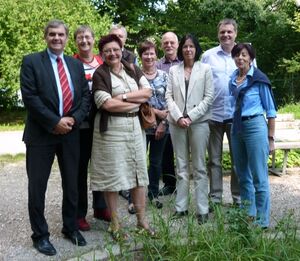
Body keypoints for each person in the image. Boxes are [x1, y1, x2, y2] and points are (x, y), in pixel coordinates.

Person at [20, 19, 89, 256]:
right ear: (45, 37)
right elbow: (30, 98)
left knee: (73, 183)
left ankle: (70, 227)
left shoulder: (75, 65)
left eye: (61, 34)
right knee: (37, 187)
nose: (56, 38)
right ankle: (40, 235)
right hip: (41, 134)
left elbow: (84, 99)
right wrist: (54, 122)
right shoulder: (31, 62)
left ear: (66, 37)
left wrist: (72, 120)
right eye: (52, 34)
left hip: (70, 133)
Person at [90, 34, 154, 239]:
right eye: (107, 51)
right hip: (111, 130)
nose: (112, 53)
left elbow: (148, 91)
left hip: (135, 128)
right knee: (113, 176)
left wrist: (124, 97)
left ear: (121, 49)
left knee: (138, 175)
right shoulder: (100, 74)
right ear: (102, 54)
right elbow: (106, 104)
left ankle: (142, 222)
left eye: (115, 49)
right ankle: (115, 224)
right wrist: (136, 102)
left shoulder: (132, 68)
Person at [165, 34, 214, 224]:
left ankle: (202, 209)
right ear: (181, 49)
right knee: (181, 166)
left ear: (196, 48)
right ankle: (181, 207)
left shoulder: (205, 69)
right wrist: (178, 117)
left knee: (200, 167)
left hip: (199, 122)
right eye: (185, 46)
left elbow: (209, 97)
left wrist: (191, 117)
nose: (188, 50)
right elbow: (168, 96)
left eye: (191, 46)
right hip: (177, 124)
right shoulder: (173, 71)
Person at [228, 43, 276, 228]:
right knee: (242, 175)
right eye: (237, 55)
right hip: (237, 127)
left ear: (250, 58)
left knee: (259, 175)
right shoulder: (233, 78)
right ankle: (248, 214)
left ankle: (262, 221)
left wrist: (270, 139)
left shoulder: (259, 79)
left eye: (244, 55)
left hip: (255, 126)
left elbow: (271, 111)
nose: (240, 58)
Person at [73, 25, 111, 232]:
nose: (84, 41)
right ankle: (79, 213)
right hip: (81, 125)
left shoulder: (102, 62)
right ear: (76, 41)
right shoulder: (71, 63)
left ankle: (100, 206)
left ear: (93, 39)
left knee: (101, 166)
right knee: (80, 169)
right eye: (80, 38)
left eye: (87, 37)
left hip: (101, 122)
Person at [201, 19, 241, 209]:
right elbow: (200, 82)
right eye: (222, 32)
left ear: (235, 34)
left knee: (237, 160)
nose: (226, 35)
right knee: (214, 161)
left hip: (236, 116)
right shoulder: (208, 56)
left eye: (229, 32)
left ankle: (238, 198)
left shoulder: (244, 55)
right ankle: (215, 198)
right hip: (213, 116)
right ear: (218, 34)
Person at [109, 24, 137, 213]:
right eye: (114, 36)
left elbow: (143, 90)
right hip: (109, 119)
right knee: (113, 160)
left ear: (125, 39)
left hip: (130, 116)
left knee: (130, 158)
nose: (118, 39)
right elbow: (106, 101)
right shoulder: (105, 55)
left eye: (121, 36)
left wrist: (125, 99)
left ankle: (128, 193)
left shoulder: (132, 60)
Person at [138, 40, 169, 209]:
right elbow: (138, 102)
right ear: (140, 56)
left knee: (156, 163)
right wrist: (157, 113)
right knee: (138, 162)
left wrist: (163, 123)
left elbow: (171, 101)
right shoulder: (136, 77)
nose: (149, 57)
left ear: (156, 55)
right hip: (141, 126)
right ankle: (134, 200)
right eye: (145, 53)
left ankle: (153, 195)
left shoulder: (165, 76)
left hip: (162, 128)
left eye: (151, 53)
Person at [156, 32, 181, 196]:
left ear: (177, 44)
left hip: (182, 114)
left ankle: (183, 183)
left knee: (182, 151)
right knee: (166, 151)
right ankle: (170, 184)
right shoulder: (157, 65)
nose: (169, 45)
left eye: (172, 42)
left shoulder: (185, 62)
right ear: (162, 45)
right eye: (165, 43)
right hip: (163, 114)